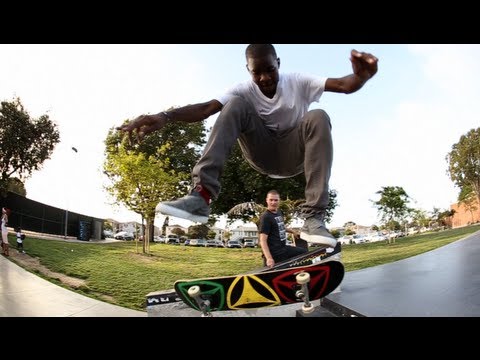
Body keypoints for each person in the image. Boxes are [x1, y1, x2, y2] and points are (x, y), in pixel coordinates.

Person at [117, 44, 378, 247]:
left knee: (318, 116)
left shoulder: (298, 80)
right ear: (248, 70)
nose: (265, 78)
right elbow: (207, 108)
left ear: (278, 64)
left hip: (294, 154)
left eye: (270, 70)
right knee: (236, 105)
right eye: (257, 72)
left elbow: (344, 85)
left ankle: (314, 218)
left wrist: (361, 77)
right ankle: (201, 196)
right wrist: (165, 116)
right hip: (262, 153)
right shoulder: (243, 89)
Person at [259, 190, 307, 268]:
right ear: (266, 200)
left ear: (279, 201)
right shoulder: (266, 217)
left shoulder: (278, 212)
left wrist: (292, 231)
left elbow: (280, 226)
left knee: (304, 252)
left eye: (276, 200)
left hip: (283, 249)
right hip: (274, 253)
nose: (273, 202)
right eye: (271, 200)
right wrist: (269, 258)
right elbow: (262, 240)